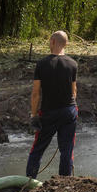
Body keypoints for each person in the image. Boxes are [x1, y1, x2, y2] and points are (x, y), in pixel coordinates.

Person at [26, 30, 78, 178]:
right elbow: (74, 91)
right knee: (67, 150)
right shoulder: (73, 64)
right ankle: (64, 183)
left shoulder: (42, 64)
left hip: (48, 113)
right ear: (66, 44)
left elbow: (36, 93)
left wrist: (34, 115)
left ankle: (29, 181)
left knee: (38, 148)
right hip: (69, 111)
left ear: (52, 42)